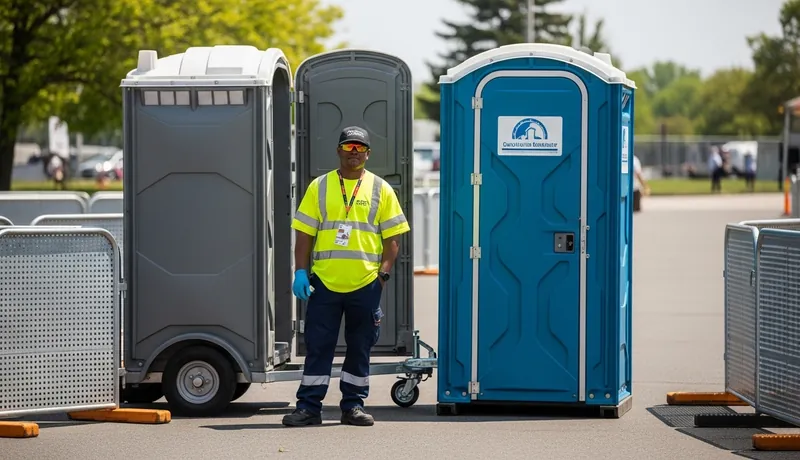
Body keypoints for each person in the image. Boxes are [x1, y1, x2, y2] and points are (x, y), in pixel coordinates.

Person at [282, 126, 411, 428]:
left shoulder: (381, 189)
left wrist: (382, 276)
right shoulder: (320, 186)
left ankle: (353, 406)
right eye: (348, 147)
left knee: (359, 348)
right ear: (338, 150)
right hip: (323, 284)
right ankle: (309, 407)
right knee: (318, 346)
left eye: (359, 148)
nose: (354, 153)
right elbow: (304, 234)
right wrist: (300, 271)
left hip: (365, 285)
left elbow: (393, 239)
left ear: (368, 153)